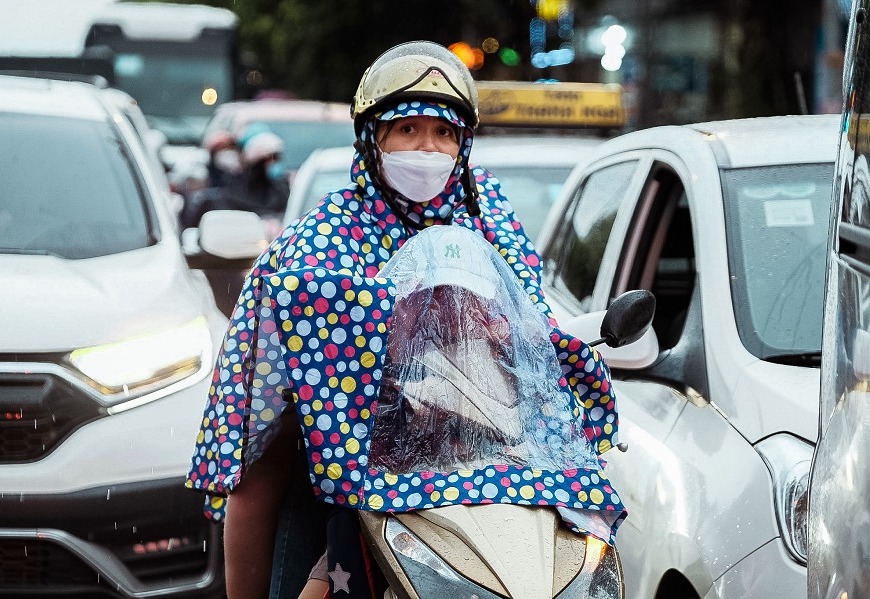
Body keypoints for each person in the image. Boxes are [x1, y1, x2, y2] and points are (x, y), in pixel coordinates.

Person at [185, 41, 622, 599]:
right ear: (374, 139)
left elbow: (527, 311)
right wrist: (357, 320)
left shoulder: (490, 216)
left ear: (464, 144)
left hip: (480, 442)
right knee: (266, 460)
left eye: (444, 133)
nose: (427, 148)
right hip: (349, 441)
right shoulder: (322, 236)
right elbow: (296, 292)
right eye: (408, 130)